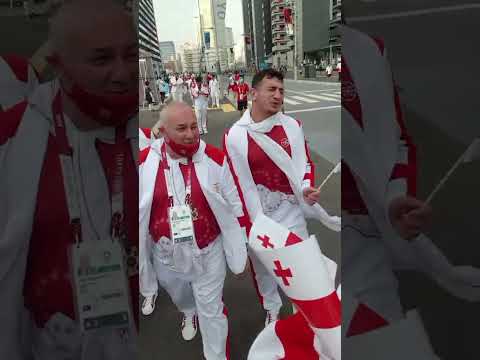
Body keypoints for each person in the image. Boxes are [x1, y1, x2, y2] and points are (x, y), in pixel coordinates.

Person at [0, 1, 139, 359]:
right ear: (59, 66)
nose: (123, 73)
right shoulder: (12, 138)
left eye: (130, 55)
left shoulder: (150, 133)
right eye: (101, 59)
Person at [223, 69, 340, 327]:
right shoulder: (235, 136)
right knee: (264, 269)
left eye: (281, 91)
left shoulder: (292, 127)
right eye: (271, 90)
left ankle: (306, 316)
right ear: (254, 93)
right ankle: (272, 307)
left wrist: (307, 186)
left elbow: (305, 165)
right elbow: (240, 185)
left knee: (301, 268)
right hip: (259, 217)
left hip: (291, 211)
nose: (278, 95)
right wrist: (249, 226)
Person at [139, 102, 248, 360]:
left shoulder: (214, 157)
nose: (190, 134)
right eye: (181, 129)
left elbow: (235, 204)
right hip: (166, 253)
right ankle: (188, 311)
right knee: (181, 295)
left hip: (209, 250)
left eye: (193, 127)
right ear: (163, 131)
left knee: (211, 309)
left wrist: (241, 244)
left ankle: (216, 356)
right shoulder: (145, 162)